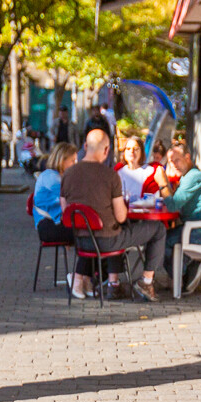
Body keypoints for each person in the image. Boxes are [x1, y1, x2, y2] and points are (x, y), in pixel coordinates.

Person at [62, 129, 166, 302]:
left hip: (80, 240)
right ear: (106, 150)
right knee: (158, 229)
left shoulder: (68, 174)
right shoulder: (111, 175)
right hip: (107, 242)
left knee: (117, 228)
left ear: (85, 146)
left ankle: (113, 283)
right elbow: (121, 216)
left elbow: (66, 211)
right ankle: (146, 281)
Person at [33, 143, 98, 298]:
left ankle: (86, 277)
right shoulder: (51, 177)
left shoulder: (59, 177)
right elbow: (72, 197)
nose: (75, 164)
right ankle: (79, 276)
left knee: (92, 232)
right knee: (89, 234)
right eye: (72, 161)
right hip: (48, 226)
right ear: (62, 160)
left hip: (57, 224)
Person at [154, 145, 201, 292]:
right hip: (200, 229)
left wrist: (162, 184)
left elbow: (172, 206)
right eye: (170, 162)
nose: (173, 165)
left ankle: (182, 277)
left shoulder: (193, 177)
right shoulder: (188, 176)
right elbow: (176, 202)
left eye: (176, 160)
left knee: (161, 240)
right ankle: (187, 270)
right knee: (165, 236)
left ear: (187, 157)